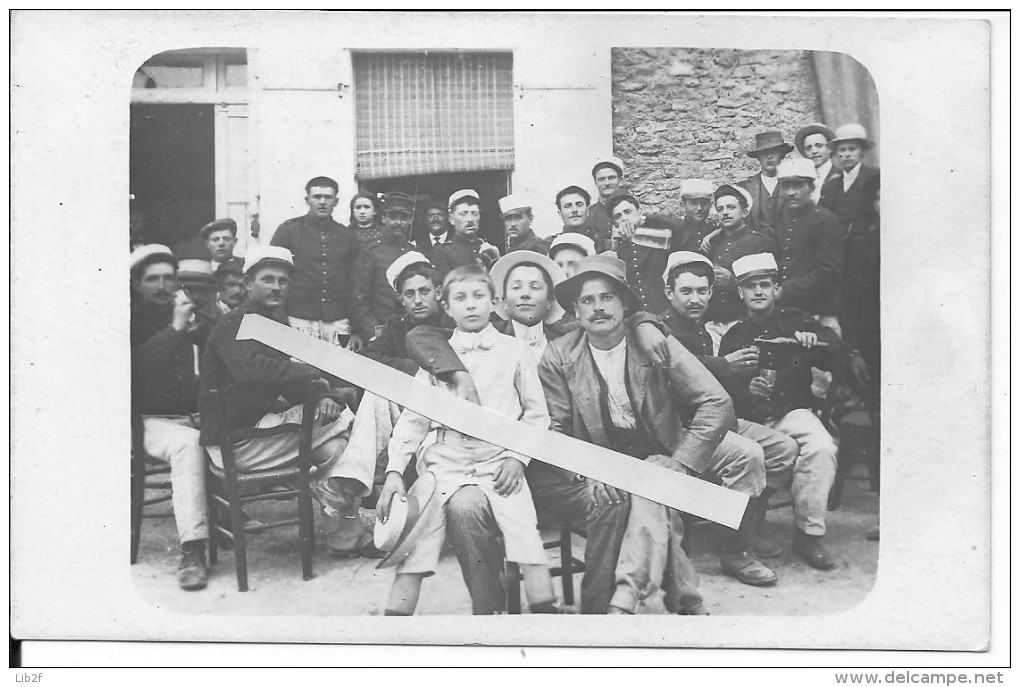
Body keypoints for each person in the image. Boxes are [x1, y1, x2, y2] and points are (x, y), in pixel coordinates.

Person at [541, 255, 776, 610]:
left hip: (660, 448)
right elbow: (555, 427)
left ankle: (626, 597)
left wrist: (682, 462)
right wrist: (587, 470)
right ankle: (682, 595)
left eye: (607, 297)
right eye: (587, 300)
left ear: (625, 305)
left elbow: (716, 401)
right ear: (575, 309)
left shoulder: (651, 340)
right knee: (652, 494)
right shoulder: (559, 355)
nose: (598, 308)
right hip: (605, 459)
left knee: (654, 482)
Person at [378, 265, 560, 616]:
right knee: (415, 551)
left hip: (500, 463)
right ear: (445, 307)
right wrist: (395, 471)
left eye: (479, 297)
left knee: (527, 544)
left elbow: (537, 414)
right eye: (460, 298)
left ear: (495, 303)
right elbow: (414, 418)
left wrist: (517, 458)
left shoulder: (514, 351)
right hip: (446, 463)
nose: (471, 305)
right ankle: (393, 630)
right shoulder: (438, 357)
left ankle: (544, 624)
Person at [199, 246, 378, 557]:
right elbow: (252, 371)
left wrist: (323, 394)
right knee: (349, 419)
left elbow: (290, 383)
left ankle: (345, 536)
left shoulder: (274, 325)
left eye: (283, 281)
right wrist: (315, 369)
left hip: (257, 433)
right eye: (267, 279)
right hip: (235, 441)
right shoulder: (235, 323)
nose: (276, 287)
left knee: (336, 448)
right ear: (247, 284)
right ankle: (337, 492)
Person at [659, 251, 799, 557]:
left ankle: (741, 522)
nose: (694, 299)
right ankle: (735, 549)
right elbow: (675, 367)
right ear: (669, 293)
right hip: (684, 428)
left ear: (711, 292)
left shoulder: (700, 327)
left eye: (701, 291)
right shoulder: (661, 330)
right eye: (685, 291)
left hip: (716, 420)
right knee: (748, 455)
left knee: (784, 449)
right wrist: (724, 365)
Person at [719, 253, 849, 570]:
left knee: (821, 446)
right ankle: (748, 524)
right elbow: (722, 391)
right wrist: (747, 391)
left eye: (765, 284)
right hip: (751, 419)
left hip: (791, 411)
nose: (759, 291)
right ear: (741, 293)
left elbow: (837, 353)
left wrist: (815, 341)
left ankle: (808, 534)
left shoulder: (798, 320)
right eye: (751, 287)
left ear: (777, 289)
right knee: (752, 455)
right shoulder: (734, 336)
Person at [130, 244, 209, 590]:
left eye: (168, 279)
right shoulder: (123, 321)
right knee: (189, 446)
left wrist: (200, 324)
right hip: (145, 421)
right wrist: (177, 329)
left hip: (190, 415)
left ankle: (234, 515)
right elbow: (134, 370)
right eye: (152, 280)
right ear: (136, 284)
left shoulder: (180, 313)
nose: (162, 286)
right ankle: (192, 549)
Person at [270, 176, 367, 351]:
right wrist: (279, 318)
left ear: (336, 201)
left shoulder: (347, 236)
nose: (322, 202)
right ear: (307, 199)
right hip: (297, 320)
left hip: (339, 323)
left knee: (339, 373)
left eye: (328, 197)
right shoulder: (288, 231)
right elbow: (273, 277)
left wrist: (358, 329)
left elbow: (356, 285)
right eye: (316, 197)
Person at [772, 159, 846, 336]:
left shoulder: (826, 220)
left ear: (812, 187)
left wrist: (787, 290)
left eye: (798, 186)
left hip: (819, 313)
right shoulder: (782, 219)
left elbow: (829, 271)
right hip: (787, 312)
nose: (791, 193)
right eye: (786, 187)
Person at [702, 184, 776, 351]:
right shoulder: (714, 242)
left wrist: (732, 281)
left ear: (744, 211)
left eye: (731, 207)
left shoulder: (758, 242)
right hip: (713, 323)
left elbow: (766, 287)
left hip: (743, 323)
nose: (725, 212)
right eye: (720, 209)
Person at [353, 192, 417, 342]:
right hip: (381, 333)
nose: (399, 223)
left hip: (411, 335)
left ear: (410, 220)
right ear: (383, 218)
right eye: (394, 217)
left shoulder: (414, 253)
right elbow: (359, 301)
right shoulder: (370, 253)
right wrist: (373, 335)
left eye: (404, 218)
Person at [605, 193, 684, 315]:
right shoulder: (618, 249)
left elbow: (682, 227)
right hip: (637, 314)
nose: (625, 218)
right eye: (618, 216)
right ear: (615, 223)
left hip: (664, 309)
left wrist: (645, 219)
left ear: (639, 211)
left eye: (628, 212)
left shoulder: (658, 236)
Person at [820, 123, 881, 238]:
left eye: (852, 149)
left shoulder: (876, 178)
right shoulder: (831, 185)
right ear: (837, 154)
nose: (846, 154)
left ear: (862, 152)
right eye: (842, 150)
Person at [431, 189, 501, 281]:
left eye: (475, 214)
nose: (470, 219)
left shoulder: (487, 247)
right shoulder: (443, 252)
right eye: (464, 214)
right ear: (451, 219)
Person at [739, 130, 794, 233]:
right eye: (764, 152)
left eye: (774, 151)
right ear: (758, 157)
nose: (769, 156)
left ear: (782, 154)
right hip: (757, 246)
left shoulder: (793, 185)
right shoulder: (745, 188)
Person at [193, 257, 246, 347]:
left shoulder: (252, 315)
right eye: (231, 284)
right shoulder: (202, 317)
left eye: (241, 286)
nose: (237, 290)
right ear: (219, 286)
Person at [794, 123, 840, 204]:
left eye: (819, 145)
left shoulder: (842, 177)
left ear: (830, 149)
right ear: (804, 152)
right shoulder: (802, 180)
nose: (814, 151)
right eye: (808, 148)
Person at [587, 156, 626, 251]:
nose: (607, 183)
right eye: (601, 179)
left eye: (611, 178)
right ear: (596, 182)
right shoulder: (589, 214)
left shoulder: (631, 210)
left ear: (620, 180)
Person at [554, 185, 604, 252]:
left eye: (579, 205)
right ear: (560, 214)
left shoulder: (601, 242)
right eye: (567, 206)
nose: (574, 210)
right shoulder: (552, 243)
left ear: (588, 210)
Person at [677, 178, 719, 251]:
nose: (699, 208)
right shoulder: (676, 232)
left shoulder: (715, 231)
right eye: (693, 203)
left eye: (704, 202)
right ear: (683, 205)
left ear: (710, 205)